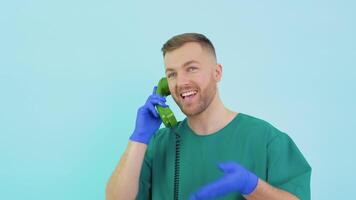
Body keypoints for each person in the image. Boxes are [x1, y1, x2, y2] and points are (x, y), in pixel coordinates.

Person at [106, 33, 311, 200]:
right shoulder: (158, 144)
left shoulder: (266, 139)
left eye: (191, 68)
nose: (181, 82)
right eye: (172, 74)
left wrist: (252, 186)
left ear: (217, 73)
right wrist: (138, 139)